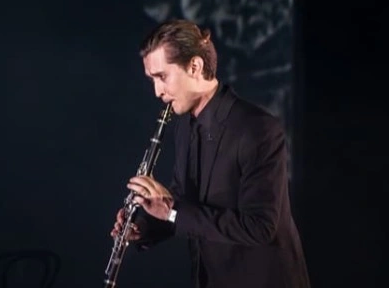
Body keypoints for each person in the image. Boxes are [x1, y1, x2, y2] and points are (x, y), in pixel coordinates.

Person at [111, 19, 310, 288]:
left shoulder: (258, 129)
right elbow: (185, 201)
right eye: (152, 80)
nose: (157, 91)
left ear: (195, 66)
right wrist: (145, 226)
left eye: (162, 77)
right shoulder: (184, 126)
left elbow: (259, 227)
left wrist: (171, 211)